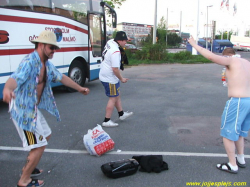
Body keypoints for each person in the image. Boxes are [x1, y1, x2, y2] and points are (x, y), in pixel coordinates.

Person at [3, 30, 90, 187]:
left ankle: (29, 167)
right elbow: (14, 78)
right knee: (39, 144)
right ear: (41, 45)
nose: (53, 51)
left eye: (55, 48)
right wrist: (7, 89)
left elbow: (61, 77)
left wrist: (79, 88)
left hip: (32, 109)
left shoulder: (46, 65)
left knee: (46, 135)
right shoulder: (29, 62)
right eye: (51, 48)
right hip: (23, 112)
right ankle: (24, 180)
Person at [188, 36, 250, 174]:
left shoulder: (231, 60)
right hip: (248, 100)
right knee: (239, 132)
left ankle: (232, 165)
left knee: (228, 134)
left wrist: (194, 44)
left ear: (227, 56)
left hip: (237, 102)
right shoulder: (246, 62)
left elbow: (210, 56)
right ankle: (241, 159)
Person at [99, 31, 133, 127]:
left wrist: (127, 38)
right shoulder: (115, 52)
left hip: (104, 74)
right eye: (125, 41)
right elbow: (115, 69)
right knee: (113, 98)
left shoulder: (110, 42)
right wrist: (121, 79)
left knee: (117, 95)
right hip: (110, 78)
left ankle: (121, 114)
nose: (126, 43)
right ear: (120, 40)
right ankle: (106, 120)